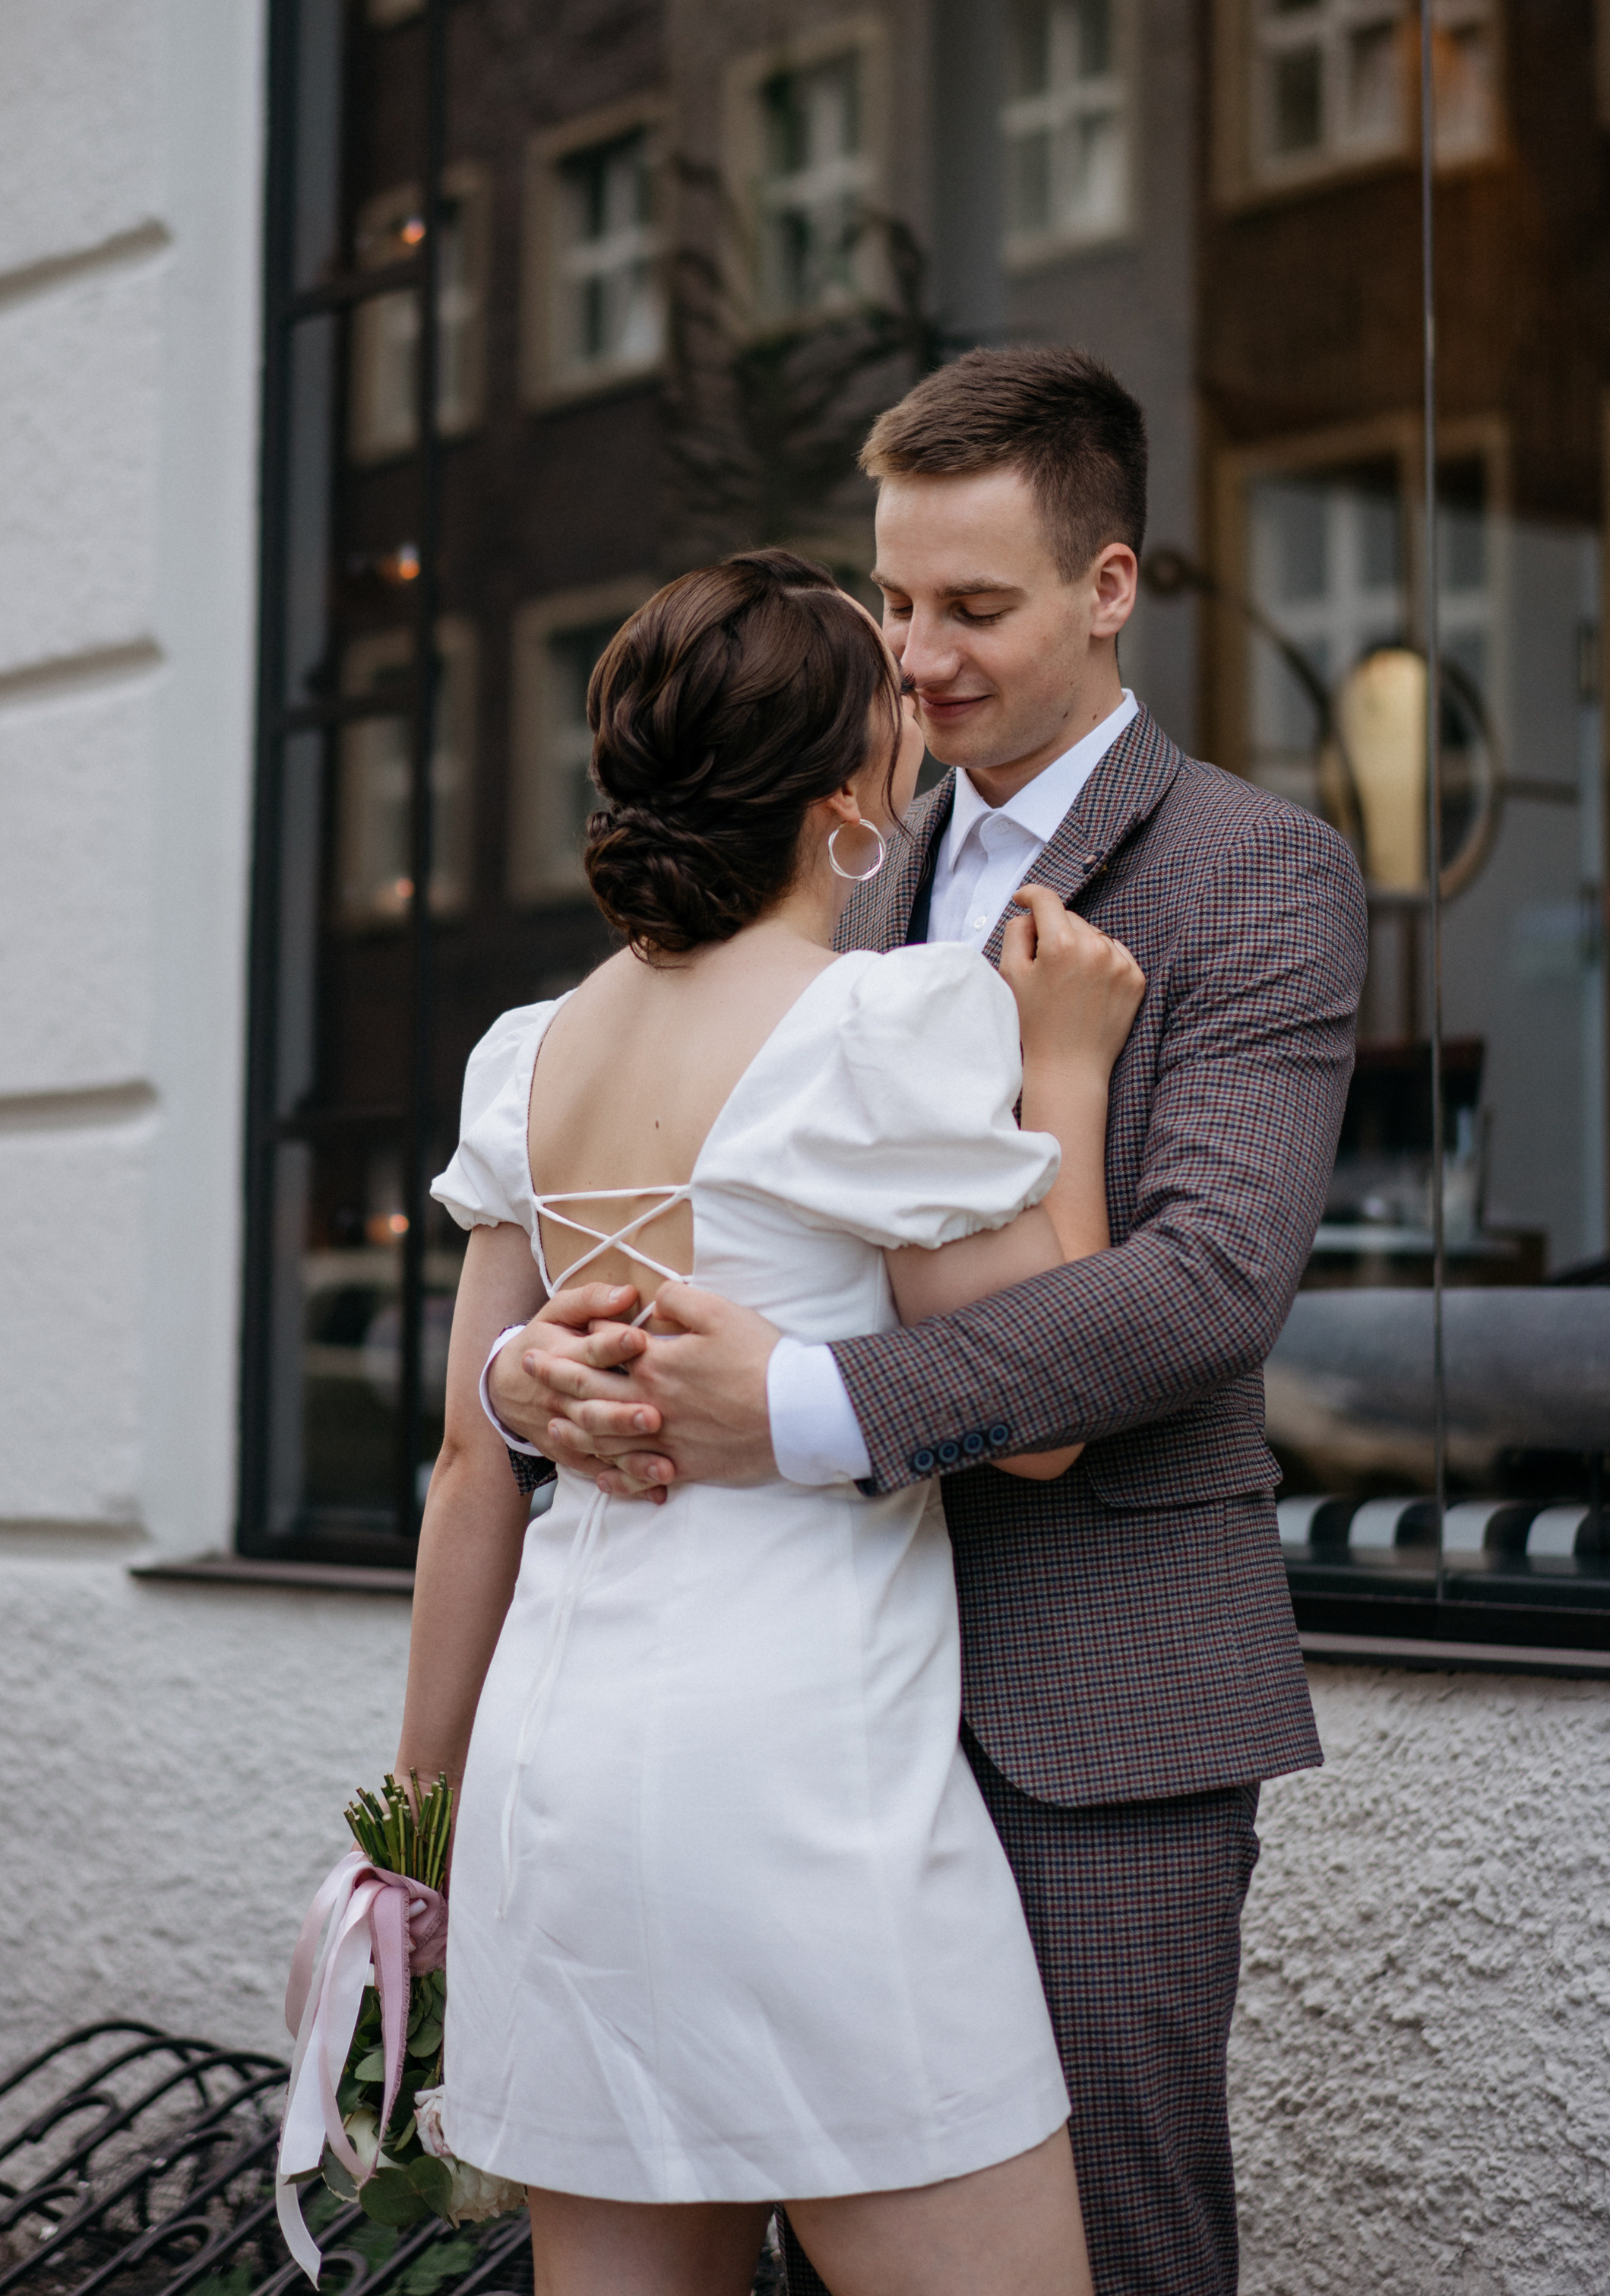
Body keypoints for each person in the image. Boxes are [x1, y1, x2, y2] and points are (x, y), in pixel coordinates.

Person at [488, 350, 1369, 2296]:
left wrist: (807, 1404)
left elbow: (1209, 1283)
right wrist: (533, 1363)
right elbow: (685, 1189)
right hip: (794, 1727)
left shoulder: (1257, 870)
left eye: (973, 607)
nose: (919, 656)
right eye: (895, 603)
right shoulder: (829, 860)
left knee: (1113, 2255)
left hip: (1082, 1709)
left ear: (1109, 585)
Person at [395, 546, 1149, 2296]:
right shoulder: (883, 1021)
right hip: (802, 1784)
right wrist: (1071, 1069)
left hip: (550, 1786)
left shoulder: (525, 1053)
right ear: (845, 806)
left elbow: (467, 1459)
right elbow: (1038, 1412)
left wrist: (420, 1836)